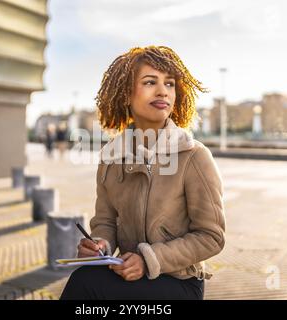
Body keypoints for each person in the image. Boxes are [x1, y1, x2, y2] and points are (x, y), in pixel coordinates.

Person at [60, 46, 226, 300]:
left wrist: (149, 260)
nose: (162, 91)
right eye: (150, 82)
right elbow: (105, 221)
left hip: (178, 282)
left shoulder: (194, 156)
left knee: (86, 287)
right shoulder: (110, 158)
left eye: (169, 84)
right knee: (84, 279)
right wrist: (100, 245)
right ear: (126, 94)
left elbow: (211, 237)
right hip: (125, 275)